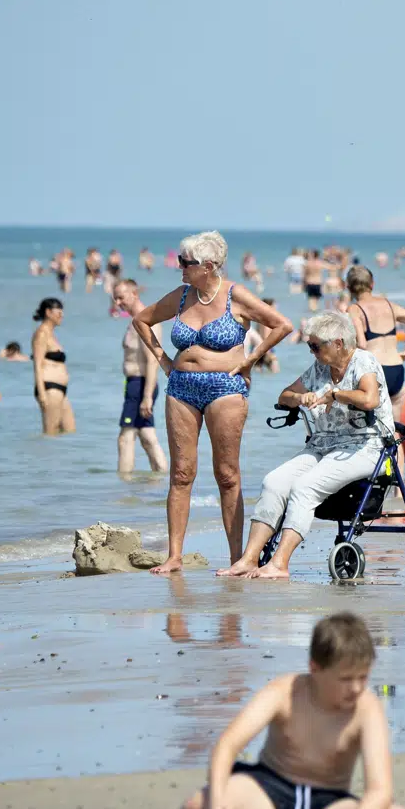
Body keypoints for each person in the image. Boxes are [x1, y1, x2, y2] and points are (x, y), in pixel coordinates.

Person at [138, 613, 405, 809]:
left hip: (329, 800)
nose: (356, 688)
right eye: (345, 679)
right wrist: (216, 806)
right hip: (271, 786)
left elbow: (380, 790)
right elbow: (227, 746)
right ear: (315, 668)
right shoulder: (284, 691)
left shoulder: (367, 707)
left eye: (363, 678)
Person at [131, 231, 294, 574]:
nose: (180, 268)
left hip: (225, 389)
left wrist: (251, 359)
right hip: (181, 389)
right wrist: (163, 360)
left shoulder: (237, 295)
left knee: (227, 474)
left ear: (207, 266)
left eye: (185, 263)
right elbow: (141, 320)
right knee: (181, 474)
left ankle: (237, 557)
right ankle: (174, 556)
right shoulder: (181, 296)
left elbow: (282, 325)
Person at [216, 313, 394, 579]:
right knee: (274, 482)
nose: (311, 351)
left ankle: (279, 564)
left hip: (364, 447)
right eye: (309, 345)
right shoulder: (320, 368)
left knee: (304, 487)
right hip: (322, 445)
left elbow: (368, 398)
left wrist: (335, 395)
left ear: (337, 343)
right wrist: (301, 397)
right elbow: (284, 396)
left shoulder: (363, 361)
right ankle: (249, 560)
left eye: (315, 346)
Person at [343, 265, 405, 426]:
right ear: (372, 284)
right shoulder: (389, 305)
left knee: (366, 430)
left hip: (374, 371)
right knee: (394, 432)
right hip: (396, 368)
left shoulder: (355, 309)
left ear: (349, 288)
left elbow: (361, 344)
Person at [114, 279, 168, 473]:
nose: (118, 303)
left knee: (125, 437)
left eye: (121, 298)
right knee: (147, 436)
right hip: (134, 384)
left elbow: (153, 360)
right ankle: (163, 477)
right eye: (115, 299)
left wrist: (146, 397)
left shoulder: (146, 321)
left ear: (134, 294)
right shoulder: (135, 321)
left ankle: (123, 484)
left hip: (141, 384)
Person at [31, 297, 74, 435]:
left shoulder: (51, 334)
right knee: (50, 434)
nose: (62, 316)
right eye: (59, 313)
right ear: (48, 312)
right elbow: (37, 365)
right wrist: (42, 394)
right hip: (49, 389)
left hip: (60, 390)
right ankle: (42, 456)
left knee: (69, 430)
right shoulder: (41, 333)